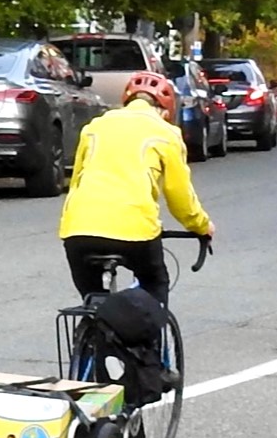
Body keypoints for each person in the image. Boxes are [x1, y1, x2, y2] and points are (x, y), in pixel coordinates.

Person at [59, 69, 214, 303]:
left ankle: (94, 331)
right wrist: (202, 226)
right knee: (154, 283)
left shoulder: (94, 127)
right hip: (134, 232)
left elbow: (77, 180)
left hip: (78, 230)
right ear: (164, 109)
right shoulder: (167, 133)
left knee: (94, 301)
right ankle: (150, 337)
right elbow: (179, 197)